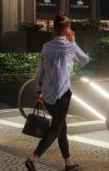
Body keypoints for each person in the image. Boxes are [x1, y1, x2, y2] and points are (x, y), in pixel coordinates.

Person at [25, 14, 90, 171]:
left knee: (62, 128)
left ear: (54, 29)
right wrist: (74, 42)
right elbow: (85, 60)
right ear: (67, 29)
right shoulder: (70, 46)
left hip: (46, 94)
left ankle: (67, 163)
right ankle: (33, 158)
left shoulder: (46, 47)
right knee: (55, 129)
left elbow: (39, 71)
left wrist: (38, 90)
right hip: (63, 95)